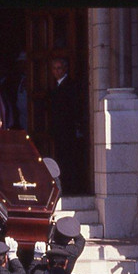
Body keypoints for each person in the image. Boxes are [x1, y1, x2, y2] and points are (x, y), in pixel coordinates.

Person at [48, 57, 84, 194]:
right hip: (59, 132)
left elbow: (73, 109)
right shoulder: (56, 86)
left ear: (65, 69)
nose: (56, 71)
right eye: (54, 69)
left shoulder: (70, 85)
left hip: (68, 131)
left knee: (69, 161)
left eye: (59, 68)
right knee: (60, 160)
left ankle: (70, 189)